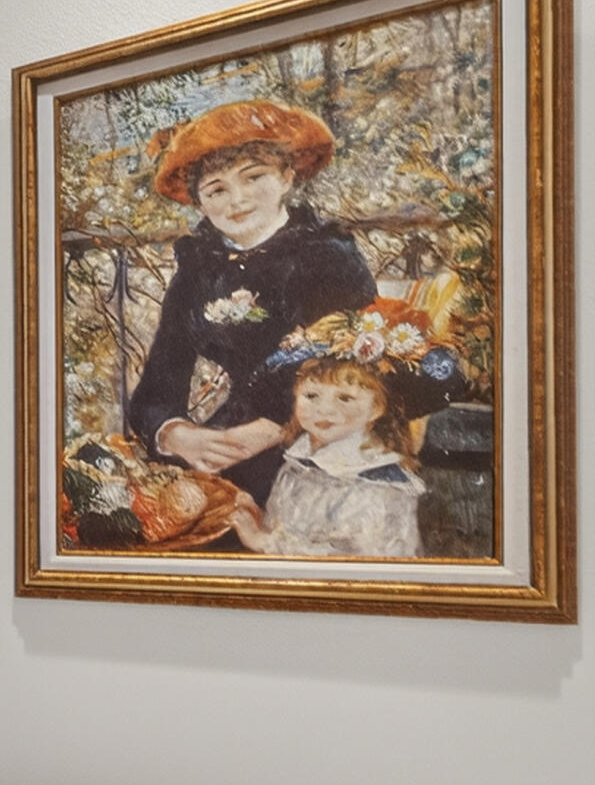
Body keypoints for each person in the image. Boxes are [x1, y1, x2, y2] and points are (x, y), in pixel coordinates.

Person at [121, 100, 377, 501]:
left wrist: (275, 429)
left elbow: (359, 374)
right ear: (200, 203)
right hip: (229, 438)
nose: (236, 200)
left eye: (253, 177)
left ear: (287, 177)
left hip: (323, 439)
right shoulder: (199, 270)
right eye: (216, 189)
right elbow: (158, 384)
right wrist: (178, 434)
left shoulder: (328, 255)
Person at [230, 355, 426, 558]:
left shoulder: (375, 483)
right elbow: (294, 532)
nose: (324, 409)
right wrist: (258, 520)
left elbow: (351, 558)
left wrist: (265, 542)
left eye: (344, 398)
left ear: (375, 408)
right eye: (312, 396)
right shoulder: (300, 462)